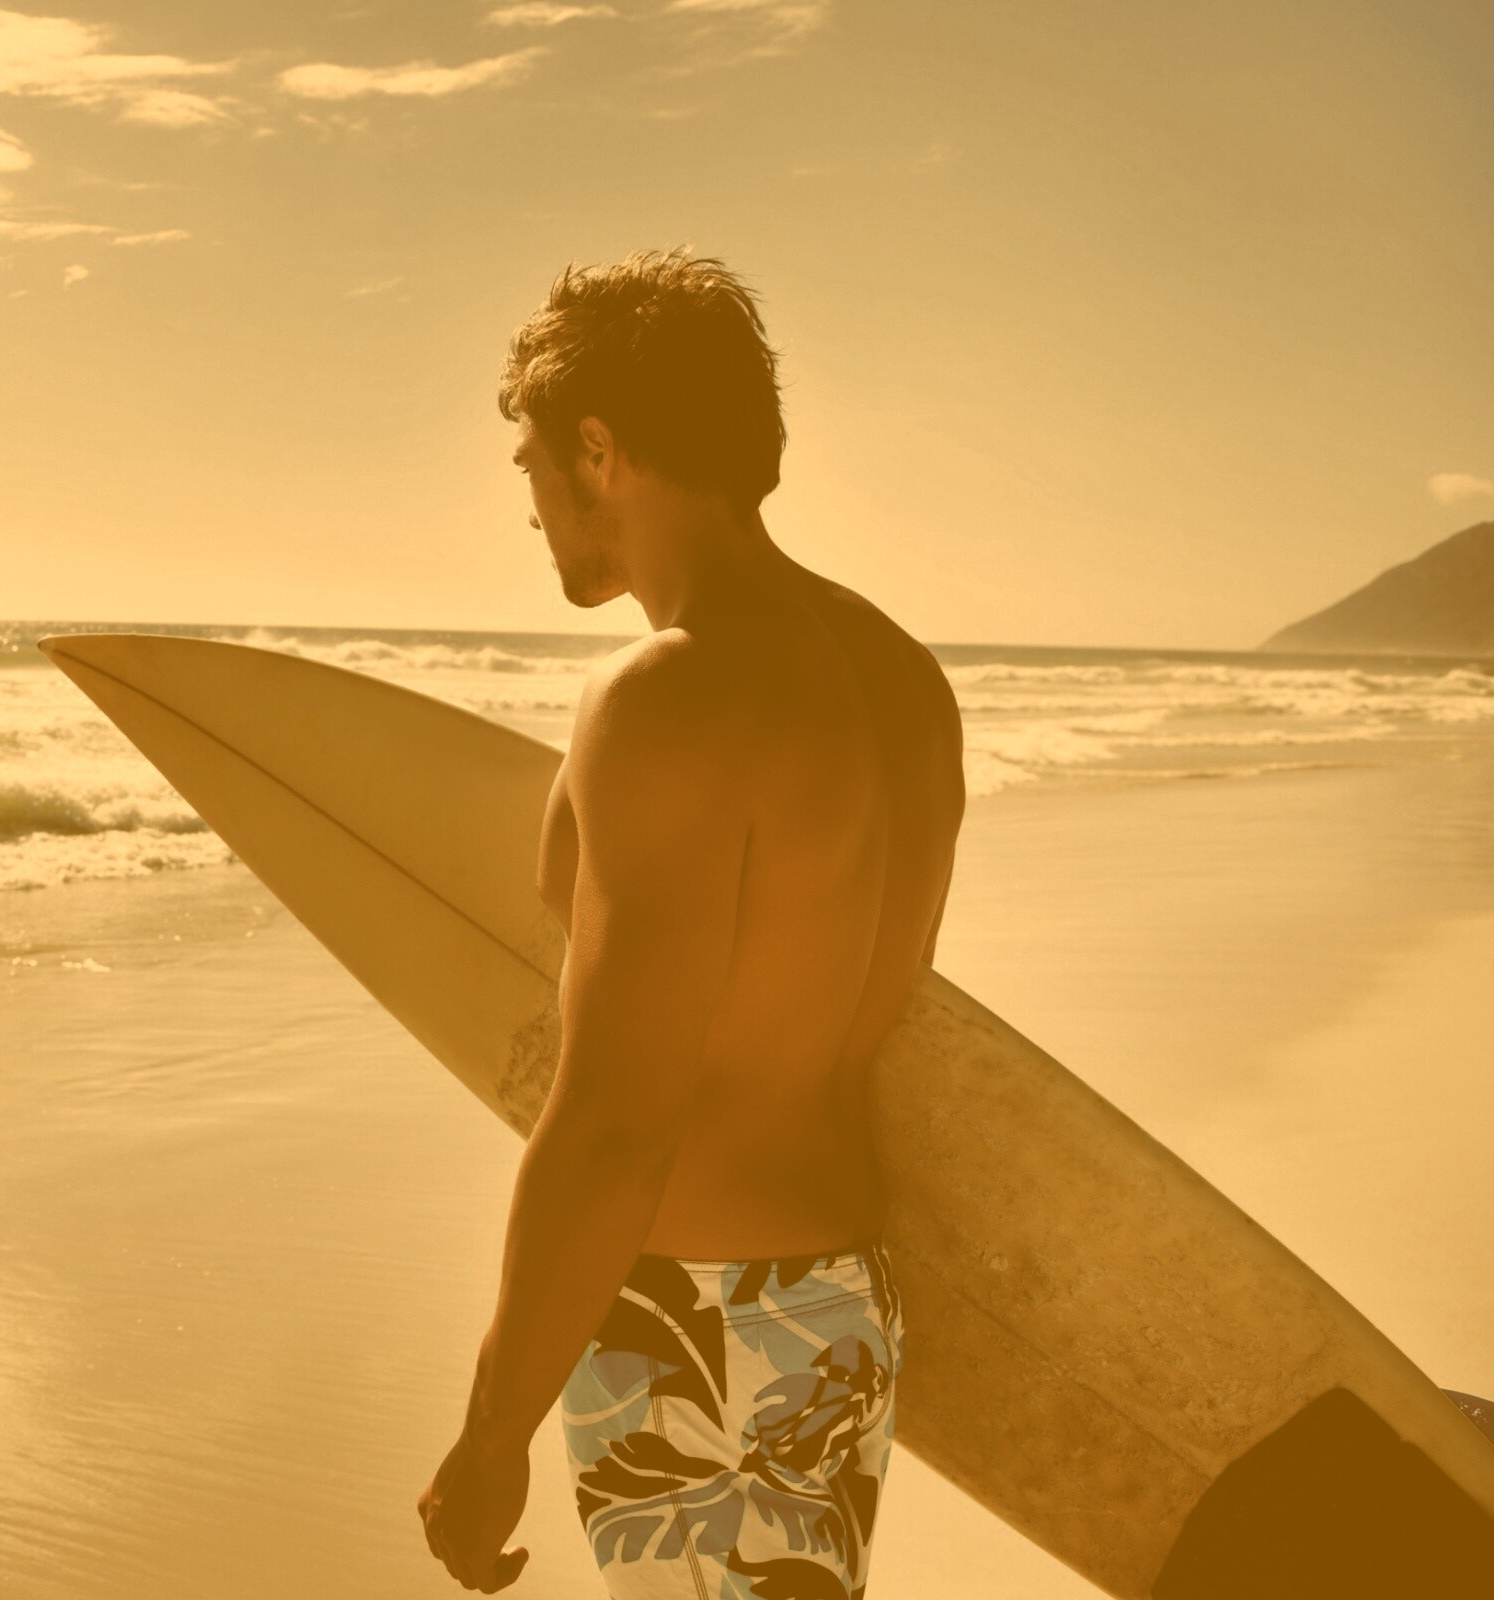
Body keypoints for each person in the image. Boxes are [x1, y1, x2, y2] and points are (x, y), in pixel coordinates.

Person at [417, 251, 966, 1599]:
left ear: (597, 449)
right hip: (839, 1304)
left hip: (695, 1315)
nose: (529, 507)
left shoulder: (667, 698)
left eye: (531, 463)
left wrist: (491, 1432)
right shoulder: (904, 680)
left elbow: (619, 1119)